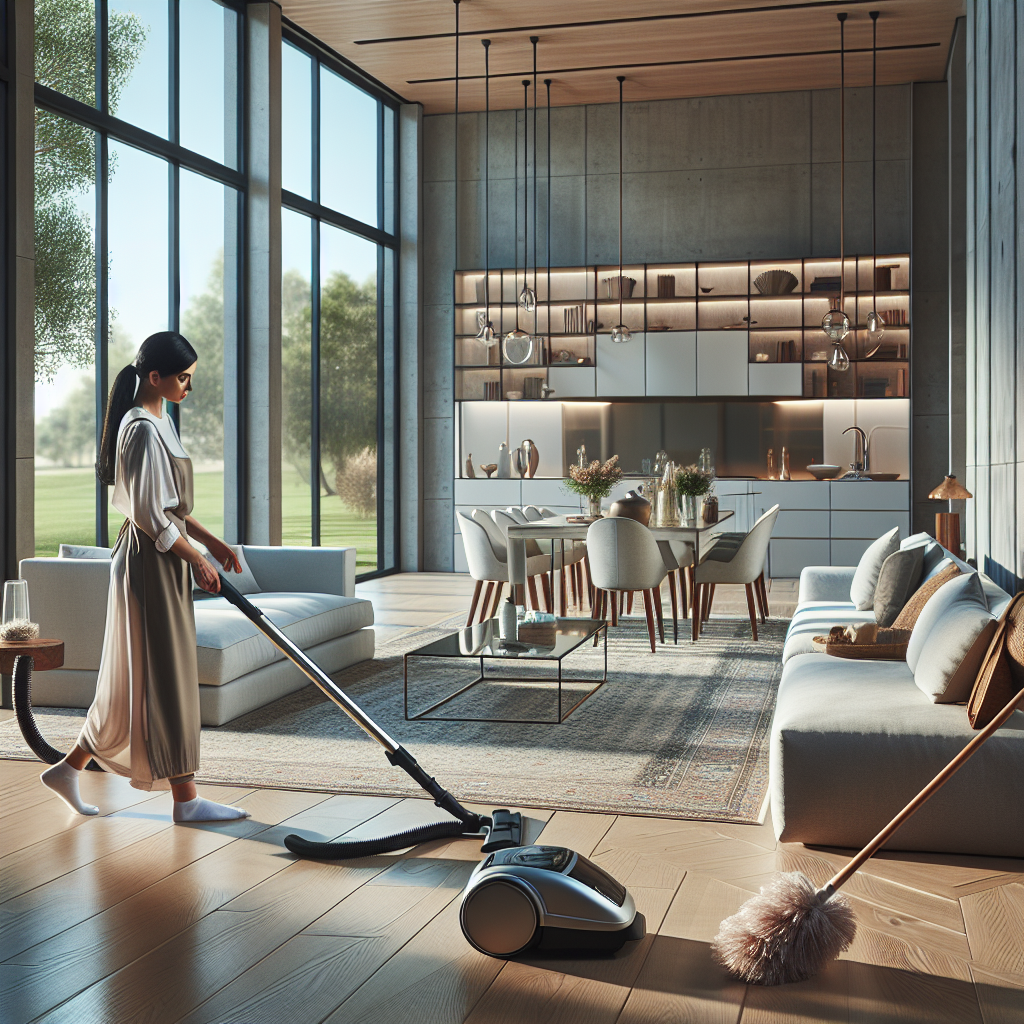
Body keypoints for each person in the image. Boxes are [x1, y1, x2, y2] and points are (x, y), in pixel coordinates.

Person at [40, 331, 251, 822]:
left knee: (135, 677)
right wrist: (196, 558)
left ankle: (68, 769)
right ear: (154, 376)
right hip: (148, 562)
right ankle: (186, 800)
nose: (188, 387)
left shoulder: (162, 421)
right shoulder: (137, 430)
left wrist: (213, 544)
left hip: (164, 557)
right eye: (183, 377)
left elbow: (172, 507)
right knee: (166, 677)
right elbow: (150, 517)